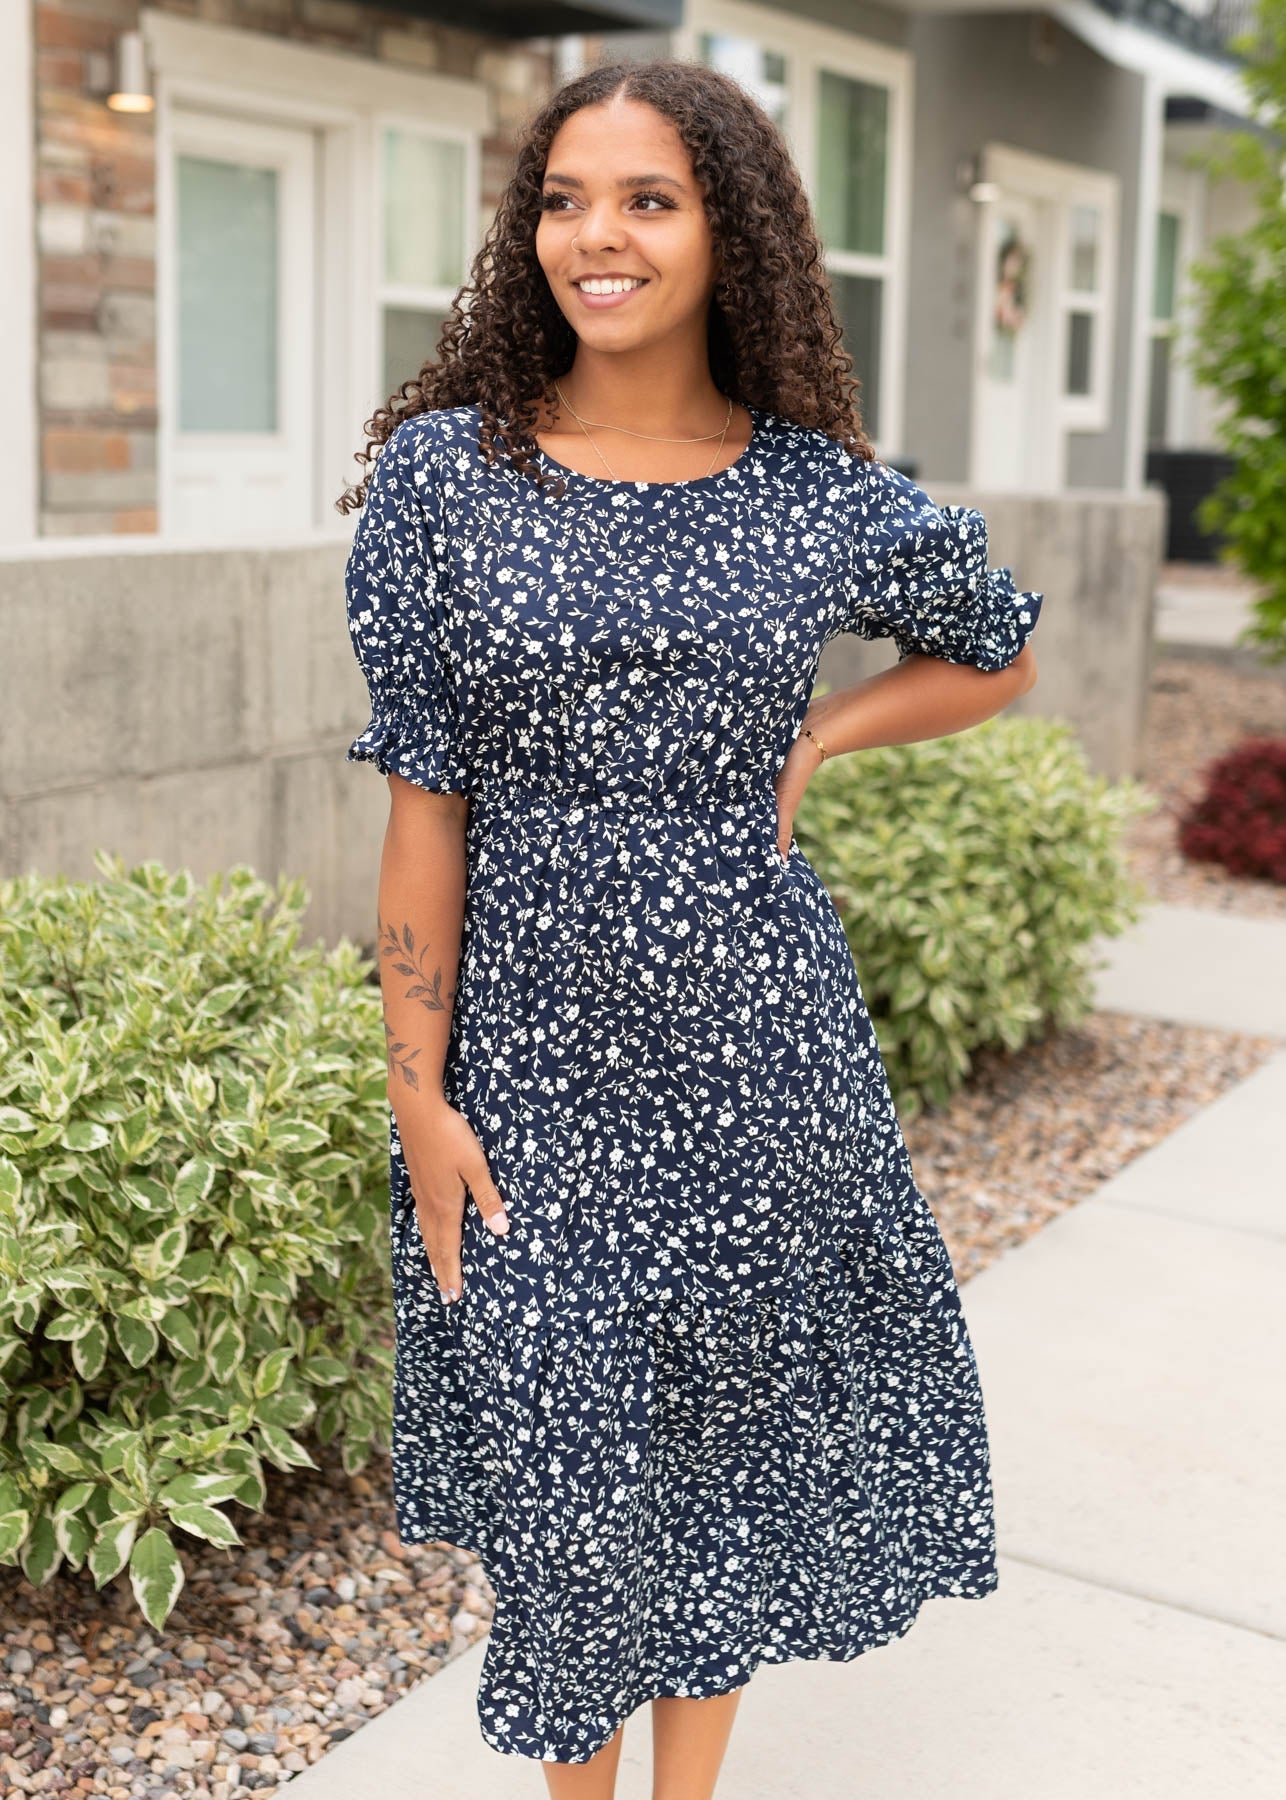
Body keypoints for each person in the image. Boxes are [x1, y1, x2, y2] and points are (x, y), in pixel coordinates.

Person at [337, 55, 1042, 1800]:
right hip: (530, 1066)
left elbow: (995, 641)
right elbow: (426, 810)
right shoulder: (444, 482)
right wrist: (417, 1092)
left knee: (711, 1474)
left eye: (648, 200)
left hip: (756, 1059)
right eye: (566, 199)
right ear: (527, 233)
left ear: (728, 234)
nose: (600, 236)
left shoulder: (808, 490)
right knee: (569, 1488)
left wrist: (825, 727)